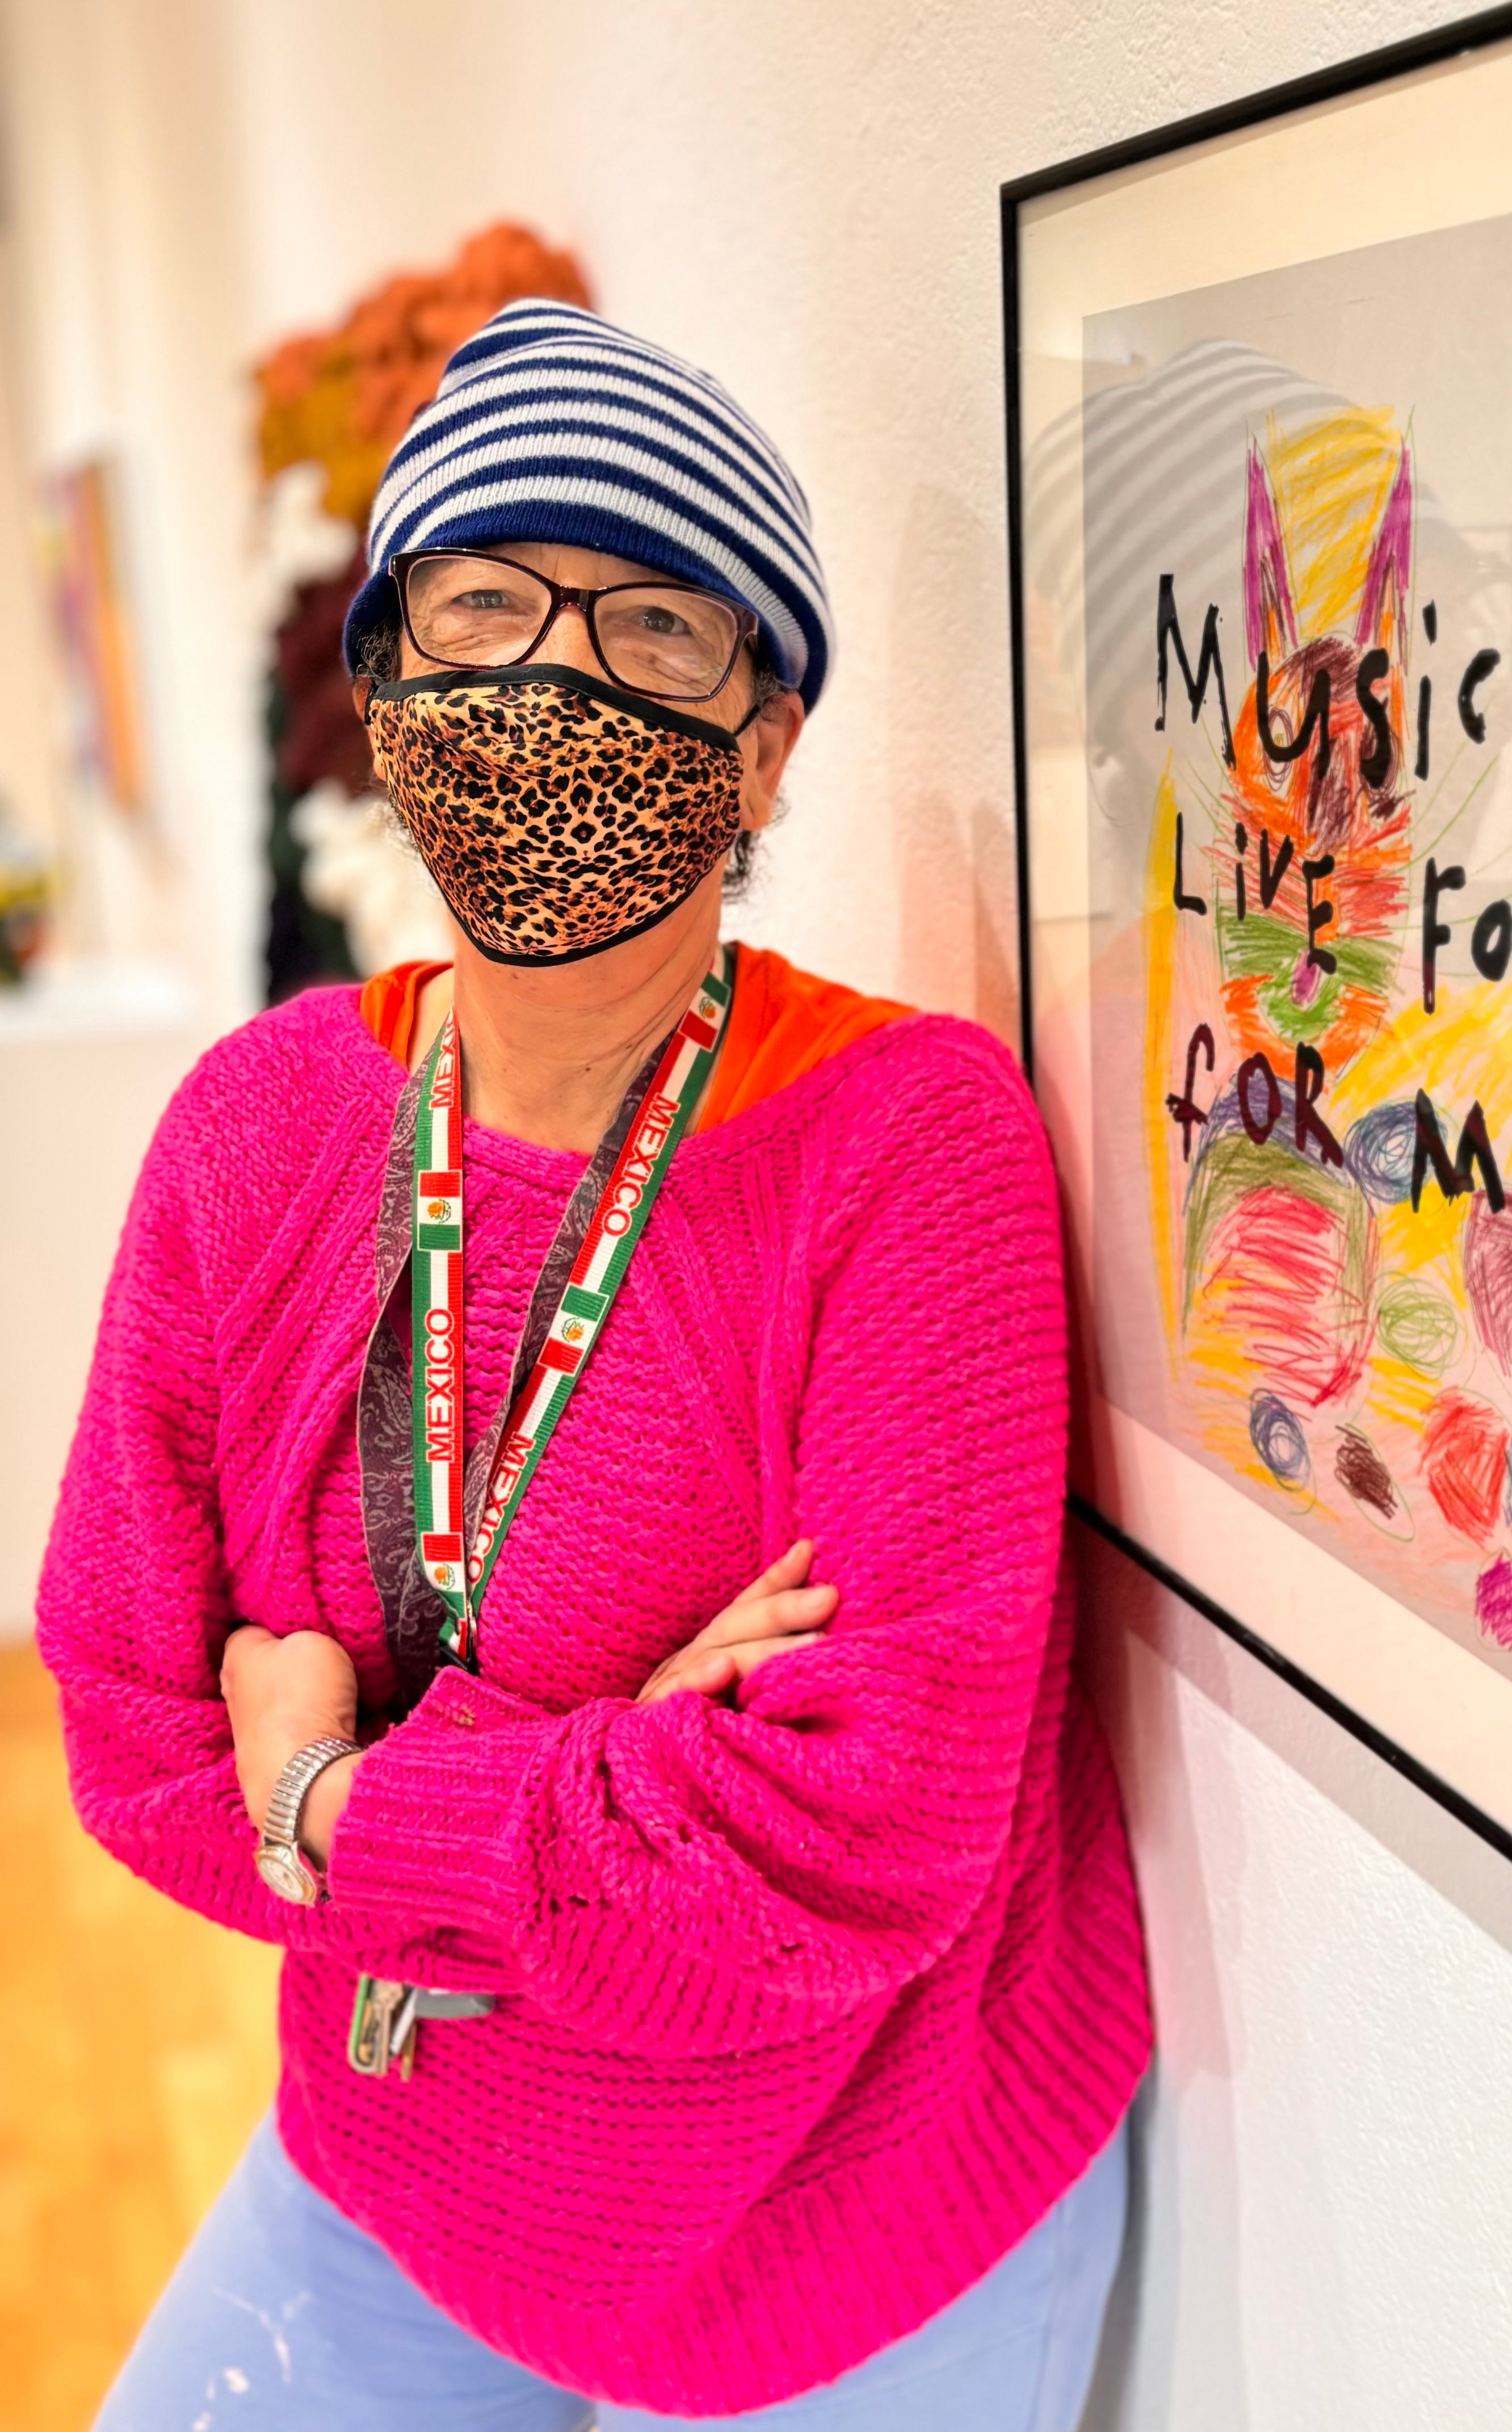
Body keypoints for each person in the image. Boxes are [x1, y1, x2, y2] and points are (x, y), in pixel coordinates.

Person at [37, 299, 1152, 2430]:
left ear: (764, 743)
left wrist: (326, 1791)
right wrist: (603, 1768)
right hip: (394, 2161)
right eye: (480, 603)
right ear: (381, 683)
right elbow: (118, 1709)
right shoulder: (259, 1131)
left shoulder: (908, 1151)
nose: (549, 678)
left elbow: (853, 1840)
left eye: (655, 631)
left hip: (851, 2227)